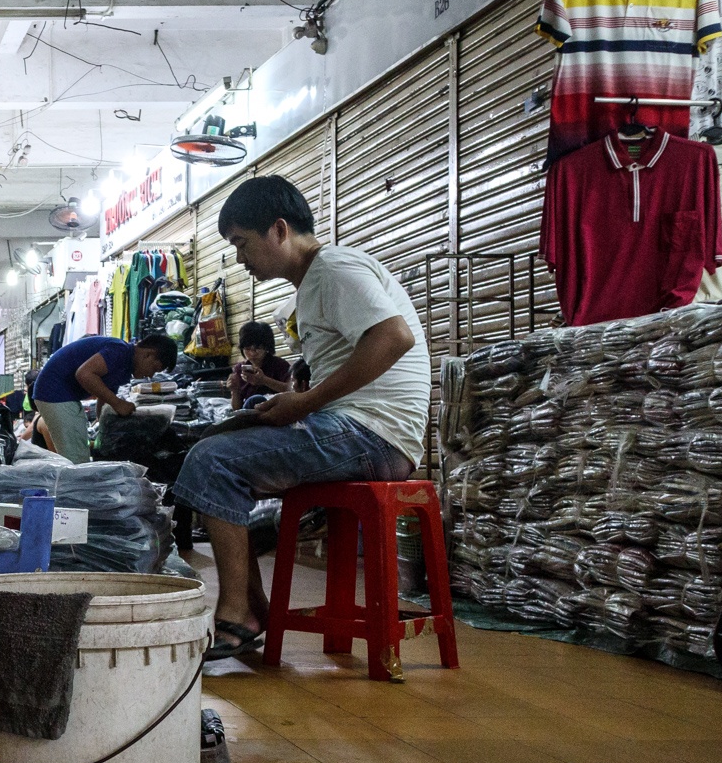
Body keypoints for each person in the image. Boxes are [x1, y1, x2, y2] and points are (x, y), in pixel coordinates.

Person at [172, 175, 430, 660]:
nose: (241, 259)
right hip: (358, 428)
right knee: (216, 443)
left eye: (241, 244)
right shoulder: (310, 286)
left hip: (375, 435)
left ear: (278, 229)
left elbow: (394, 337)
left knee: (212, 463)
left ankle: (240, 612)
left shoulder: (334, 268)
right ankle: (249, 604)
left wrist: (304, 404)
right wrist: (285, 401)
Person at [28, 332, 178, 464]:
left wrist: (105, 428)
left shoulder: (125, 366)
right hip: (54, 392)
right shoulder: (119, 351)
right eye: (154, 368)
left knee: (79, 455)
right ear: (148, 355)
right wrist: (118, 403)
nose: (150, 376)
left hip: (59, 394)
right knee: (76, 461)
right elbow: (84, 374)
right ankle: (76, 495)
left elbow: (103, 396)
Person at [228, 321, 294, 407]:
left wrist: (264, 380)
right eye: (247, 349)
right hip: (251, 415)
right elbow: (237, 409)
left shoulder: (279, 365)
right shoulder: (239, 370)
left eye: (257, 348)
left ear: (267, 347)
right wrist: (234, 391)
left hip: (276, 412)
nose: (252, 353)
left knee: (256, 400)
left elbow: (293, 390)